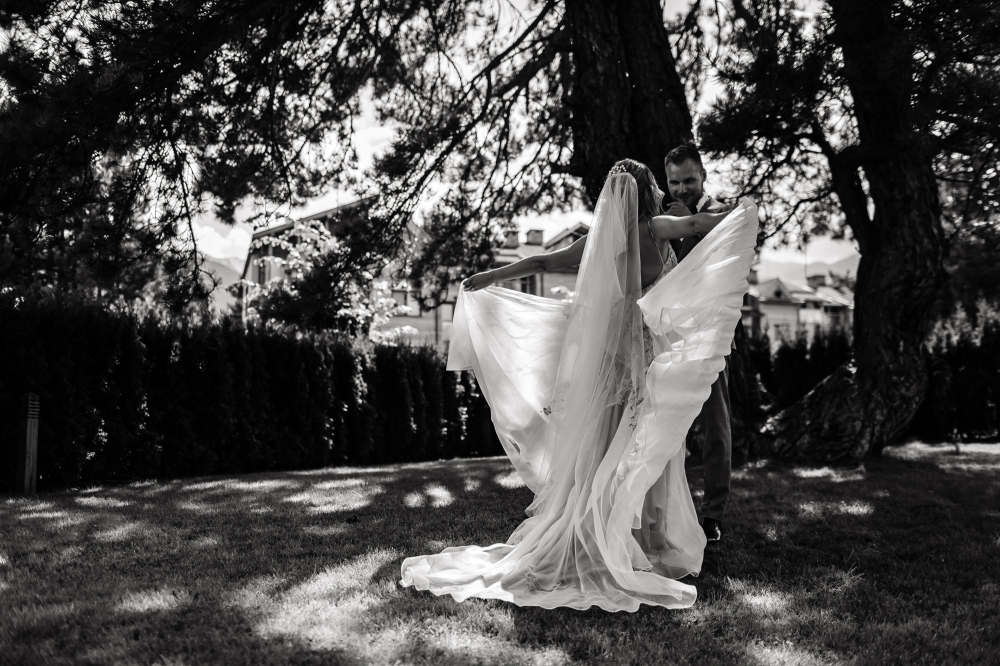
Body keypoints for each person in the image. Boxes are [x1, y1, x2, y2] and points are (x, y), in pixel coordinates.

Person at [399, 158, 758, 611]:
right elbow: (697, 224)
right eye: (654, 184)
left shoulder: (602, 240)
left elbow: (544, 260)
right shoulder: (655, 228)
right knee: (647, 445)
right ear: (645, 190)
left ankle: (613, 533)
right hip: (644, 356)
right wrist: (741, 210)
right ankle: (633, 539)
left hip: (610, 353)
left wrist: (491, 276)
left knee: (607, 445)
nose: (659, 191)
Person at [663, 144, 733, 544]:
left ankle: (713, 516)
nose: (681, 189)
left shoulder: (722, 213)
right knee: (666, 428)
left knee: (715, 432)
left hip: (710, 339)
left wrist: (690, 224)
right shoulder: (664, 214)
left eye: (689, 180)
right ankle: (671, 511)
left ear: (703, 175)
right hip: (668, 338)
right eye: (674, 182)